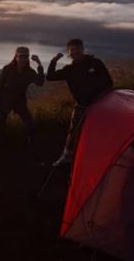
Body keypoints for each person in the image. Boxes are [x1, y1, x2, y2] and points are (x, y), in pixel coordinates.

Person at [47, 38, 113, 167]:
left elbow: (108, 83)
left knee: (97, 131)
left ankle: (97, 156)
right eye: (72, 50)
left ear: (83, 49)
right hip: (81, 105)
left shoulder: (95, 63)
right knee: (73, 131)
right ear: (69, 53)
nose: (75, 52)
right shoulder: (69, 69)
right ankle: (67, 156)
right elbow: (50, 77)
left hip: (99, 105)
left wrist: (98, 97)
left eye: (77, 49)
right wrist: (54, 61)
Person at [0, 46, 44, 155]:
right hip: (5, 101)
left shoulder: (29, 72)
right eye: (21, 56)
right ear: (16, 57)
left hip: (20, 102)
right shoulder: (7, 69)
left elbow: (40, 83)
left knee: (31, 127)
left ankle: (32, 153)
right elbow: (0, 86)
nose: (23, 59)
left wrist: (39, 64)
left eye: (26, 57)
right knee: (1, 130)